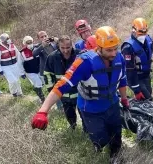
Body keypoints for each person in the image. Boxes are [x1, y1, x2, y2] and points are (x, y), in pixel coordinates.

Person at [31, 26, 129, 163]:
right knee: (100, 139)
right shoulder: (85, 62)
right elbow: (61, 85)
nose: (113, 53)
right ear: (99, 48)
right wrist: (43, 111)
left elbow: (122, 80)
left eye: (115, 48)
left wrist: (124, 100)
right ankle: (98, 147)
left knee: (116, 134)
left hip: (112, 104)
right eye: (109, 50)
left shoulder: (119, 58)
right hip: (91, 109)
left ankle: (115, 157)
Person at [42, 35, 82, 130]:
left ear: (72, 45)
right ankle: (73, 128)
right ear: (58, 46)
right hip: (63, 94)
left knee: (84, 113)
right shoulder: (52, 57)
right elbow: (48, 75)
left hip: (80, 93)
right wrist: (52, 91)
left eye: (68, 47)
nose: (65, 50)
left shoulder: (79, 55)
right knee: (69, 114)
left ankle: (86, 130)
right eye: (62, 48)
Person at [121, 18, 153, 101]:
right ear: (134, 31)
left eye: (144, 33)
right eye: (140, 33)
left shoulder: (148, 39)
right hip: (136, 77)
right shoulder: (128, 47)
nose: (142, 35)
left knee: (148, 97)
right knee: (147, 99)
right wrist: (136, 90)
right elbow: (129, 71)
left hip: (146, 75)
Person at [33, 31, 63, 109]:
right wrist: (42, 46)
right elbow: (34, 53)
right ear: (39, 39)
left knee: (61, 87)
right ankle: (60, 107)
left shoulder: (53, 44)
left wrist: (58, 41)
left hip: (58, 70)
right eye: (42, 37)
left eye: (45, 36)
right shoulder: (38, 47)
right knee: (53, 90)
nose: (44, 38)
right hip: (46, 72)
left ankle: (66, 104)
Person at [19, 36, 45, 102]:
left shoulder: (38, 48)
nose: (30, 43)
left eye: (30, 42)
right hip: (30, 71)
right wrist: (22, 73)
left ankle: (36, 89)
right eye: (28, 42)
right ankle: (42, 98)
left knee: (43, 82)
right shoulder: (22, 52)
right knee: (38, 83)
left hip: (39, 69)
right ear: (25, 43)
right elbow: (20, 63)